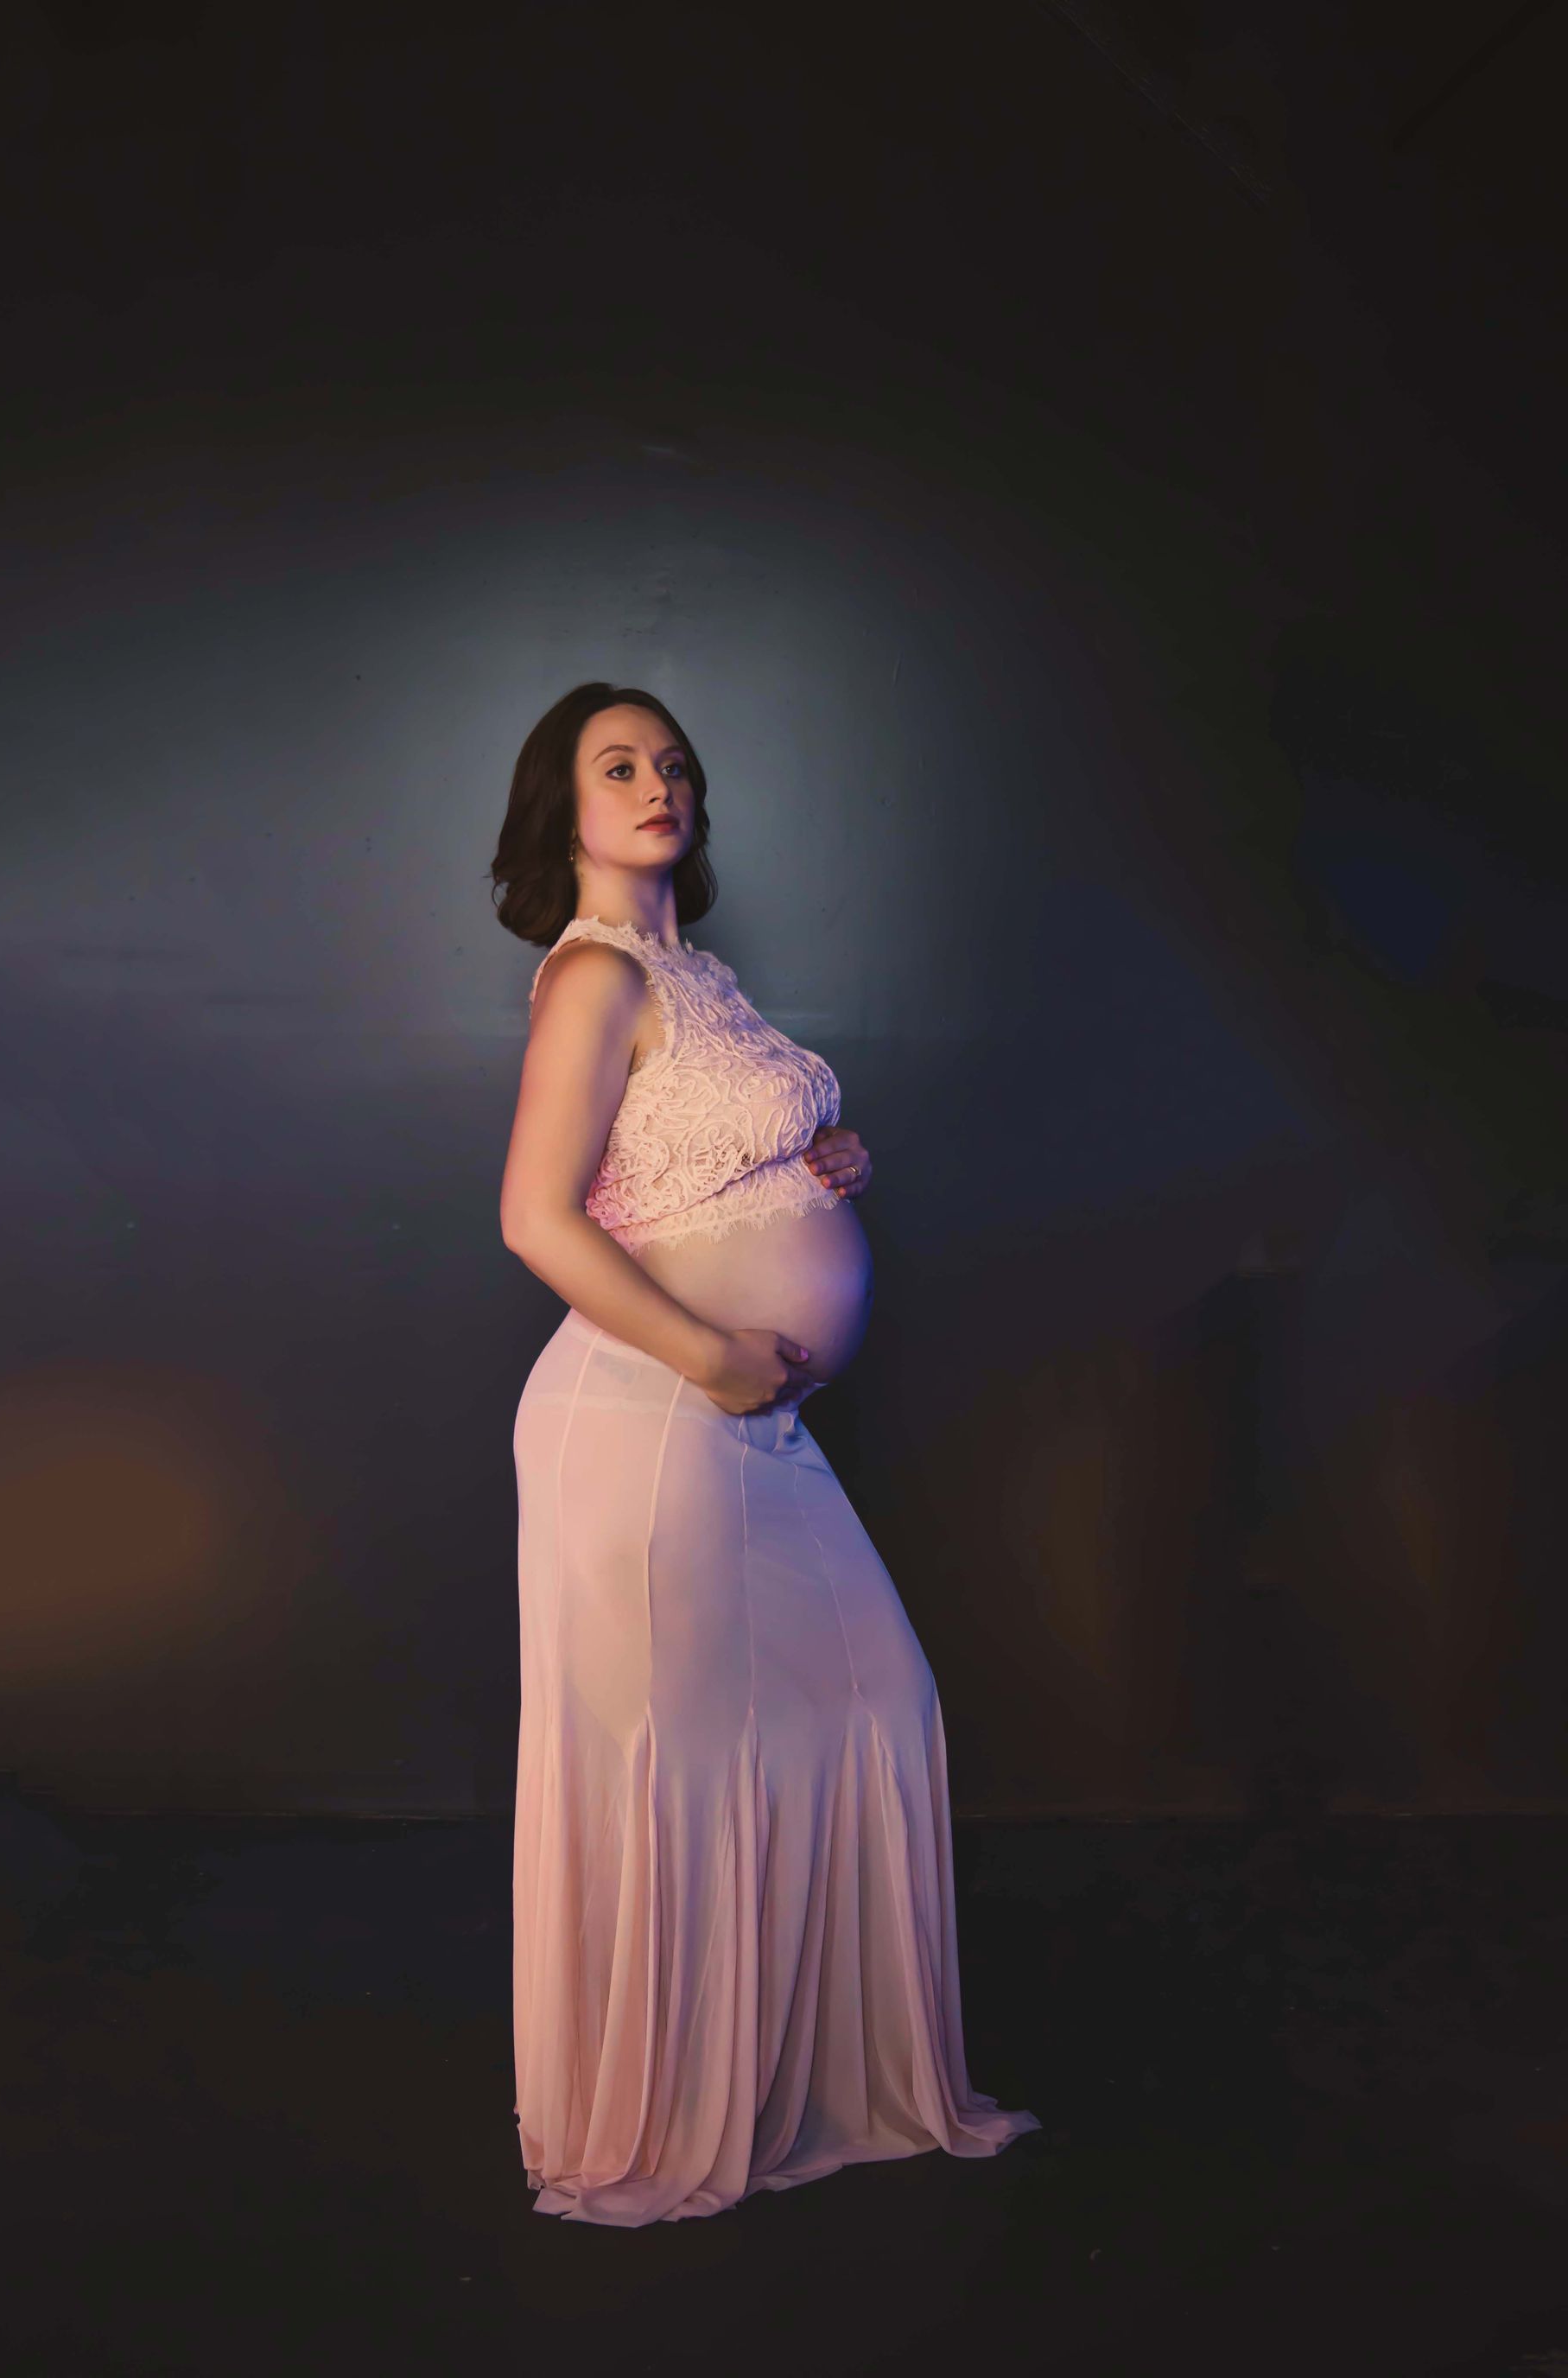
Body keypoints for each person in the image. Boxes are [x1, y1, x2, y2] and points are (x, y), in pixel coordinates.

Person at [492, 679, 1040, 2224]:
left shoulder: (699, 972)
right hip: (653, 1415)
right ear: (567, 808)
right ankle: (666, 2115)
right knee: (676, 1764)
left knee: (868, 1700)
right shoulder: (591, 975)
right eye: (618, 766)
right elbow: (535, 1214)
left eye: (674, 763)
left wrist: (817, 1163)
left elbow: (671, 1168)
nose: (655, 783)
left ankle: (820, 2082)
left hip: (752, 1421)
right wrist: (715, 1350)